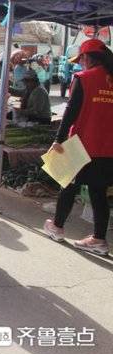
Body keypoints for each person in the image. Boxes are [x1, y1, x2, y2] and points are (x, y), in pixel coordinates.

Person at [43, 39, 113, 255]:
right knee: (98, 192)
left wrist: (58, 139)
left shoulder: (83, 79)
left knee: (69, 186)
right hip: (109, 147)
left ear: (87, 57)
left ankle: (56, 227)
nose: (80, 64)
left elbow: (71, 112)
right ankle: (99, 240)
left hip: (82, 144)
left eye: (81, 59)